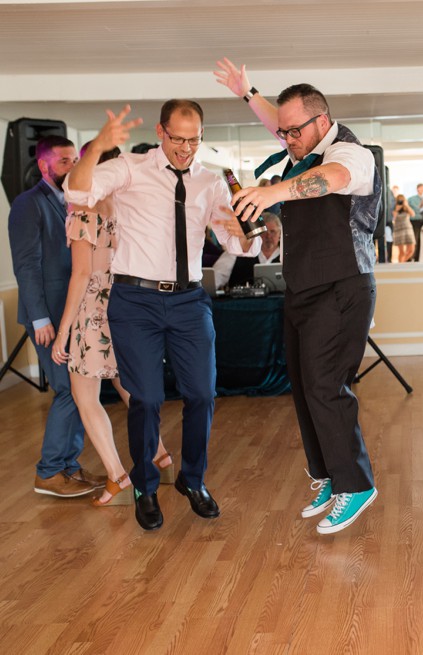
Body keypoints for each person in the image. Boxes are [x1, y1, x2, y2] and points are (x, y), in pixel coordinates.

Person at [65, 100, 259, 531]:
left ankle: (192, 481)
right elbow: (77, 193)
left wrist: (251, 228)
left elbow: (239, 246)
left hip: (190, 301)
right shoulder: (130, 169)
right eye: (178, 138)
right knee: (147, 398)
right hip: (135, 301)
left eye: (194, 140)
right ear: (160, 132)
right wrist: (97, 145)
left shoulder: (211, 182)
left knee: (202, 395)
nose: (186, 148)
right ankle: (145, 487)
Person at [215, 57, 381, 535]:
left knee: (328, 387)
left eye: (294, 131)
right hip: (304, 287)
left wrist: (271, 194)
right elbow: (281, 120)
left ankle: (357, 484)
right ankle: (330, 476)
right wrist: (248, 93)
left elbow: (330, 181)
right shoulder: (300, 145)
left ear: (322, 122)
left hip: (343, 284)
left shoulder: (352, 154)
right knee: (306, 390)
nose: (285, 139)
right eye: (283, 132)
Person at [51, 143, 173, 506]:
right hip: (125, 302)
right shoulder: (127, 205)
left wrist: (63, 332)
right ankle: (160, 456)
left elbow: (82, 274)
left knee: (84, 396)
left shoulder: (82, 211)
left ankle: (118, 476)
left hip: (92, 309)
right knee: (127, 384)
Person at [8, 135, 99, 498]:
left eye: (73, 160)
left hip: (71, 314)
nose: (72, 168)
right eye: (64, 162)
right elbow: (26, 265)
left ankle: (68, 467)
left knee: (77, 391)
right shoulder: (27, 205)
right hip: (46, 317)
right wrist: (40, 318)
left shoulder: (72, 200)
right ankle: (48, 471)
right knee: (66, 389)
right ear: (44, 165)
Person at [221, 212, 282, 287]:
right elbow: (216, 280)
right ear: (255, 234)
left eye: (273, 231)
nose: (268, 236)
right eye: (263, 232)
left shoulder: (289, 256)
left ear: (280, 234)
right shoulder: (235, 253)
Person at [391, 194, 416, 262]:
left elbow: (413, 214)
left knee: (411, 250)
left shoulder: (406, 208)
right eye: (399, 200)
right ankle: (400, 265)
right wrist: (397, 209)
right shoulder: (394, 208)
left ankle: (402, 262)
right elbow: (393, 218)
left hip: (408, 229)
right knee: (402, 252)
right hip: (399, 230)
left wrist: (406, 205)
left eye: (402, 200)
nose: (400, 201)